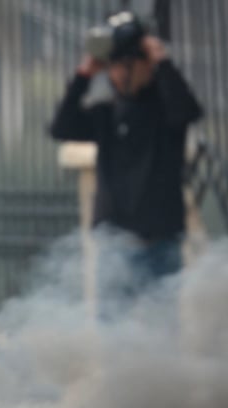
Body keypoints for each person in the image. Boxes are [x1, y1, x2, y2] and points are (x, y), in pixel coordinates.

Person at [49, 11, 203, 299]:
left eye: (126, 64)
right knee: (116, 333)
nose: (117, 73)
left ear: (146, 65)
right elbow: (61, 126)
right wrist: (84, 74)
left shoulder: (166, 109)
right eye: (113, 66)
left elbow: (188, 111)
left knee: (161, 330)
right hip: (115, 245)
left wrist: (161, 59)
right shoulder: (106, 114)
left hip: (160, 243)